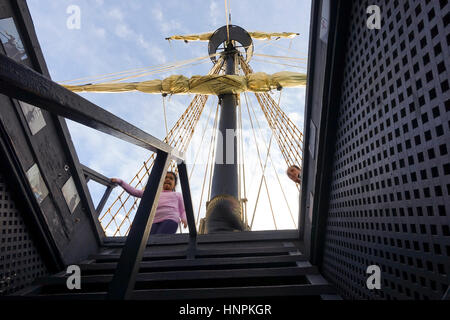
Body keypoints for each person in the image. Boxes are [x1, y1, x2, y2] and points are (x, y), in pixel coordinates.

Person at [111, 171, 188, 235]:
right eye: (165, 178)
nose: (168, 179)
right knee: (147, 242)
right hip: (153, 221)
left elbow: (182, 210)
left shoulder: (177, 195)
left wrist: (184, 219)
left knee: (159, 239)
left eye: (171, 178)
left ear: (174, 184)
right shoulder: (154, 193)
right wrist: (120, 182)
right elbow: (135, 192)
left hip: (170, 219)